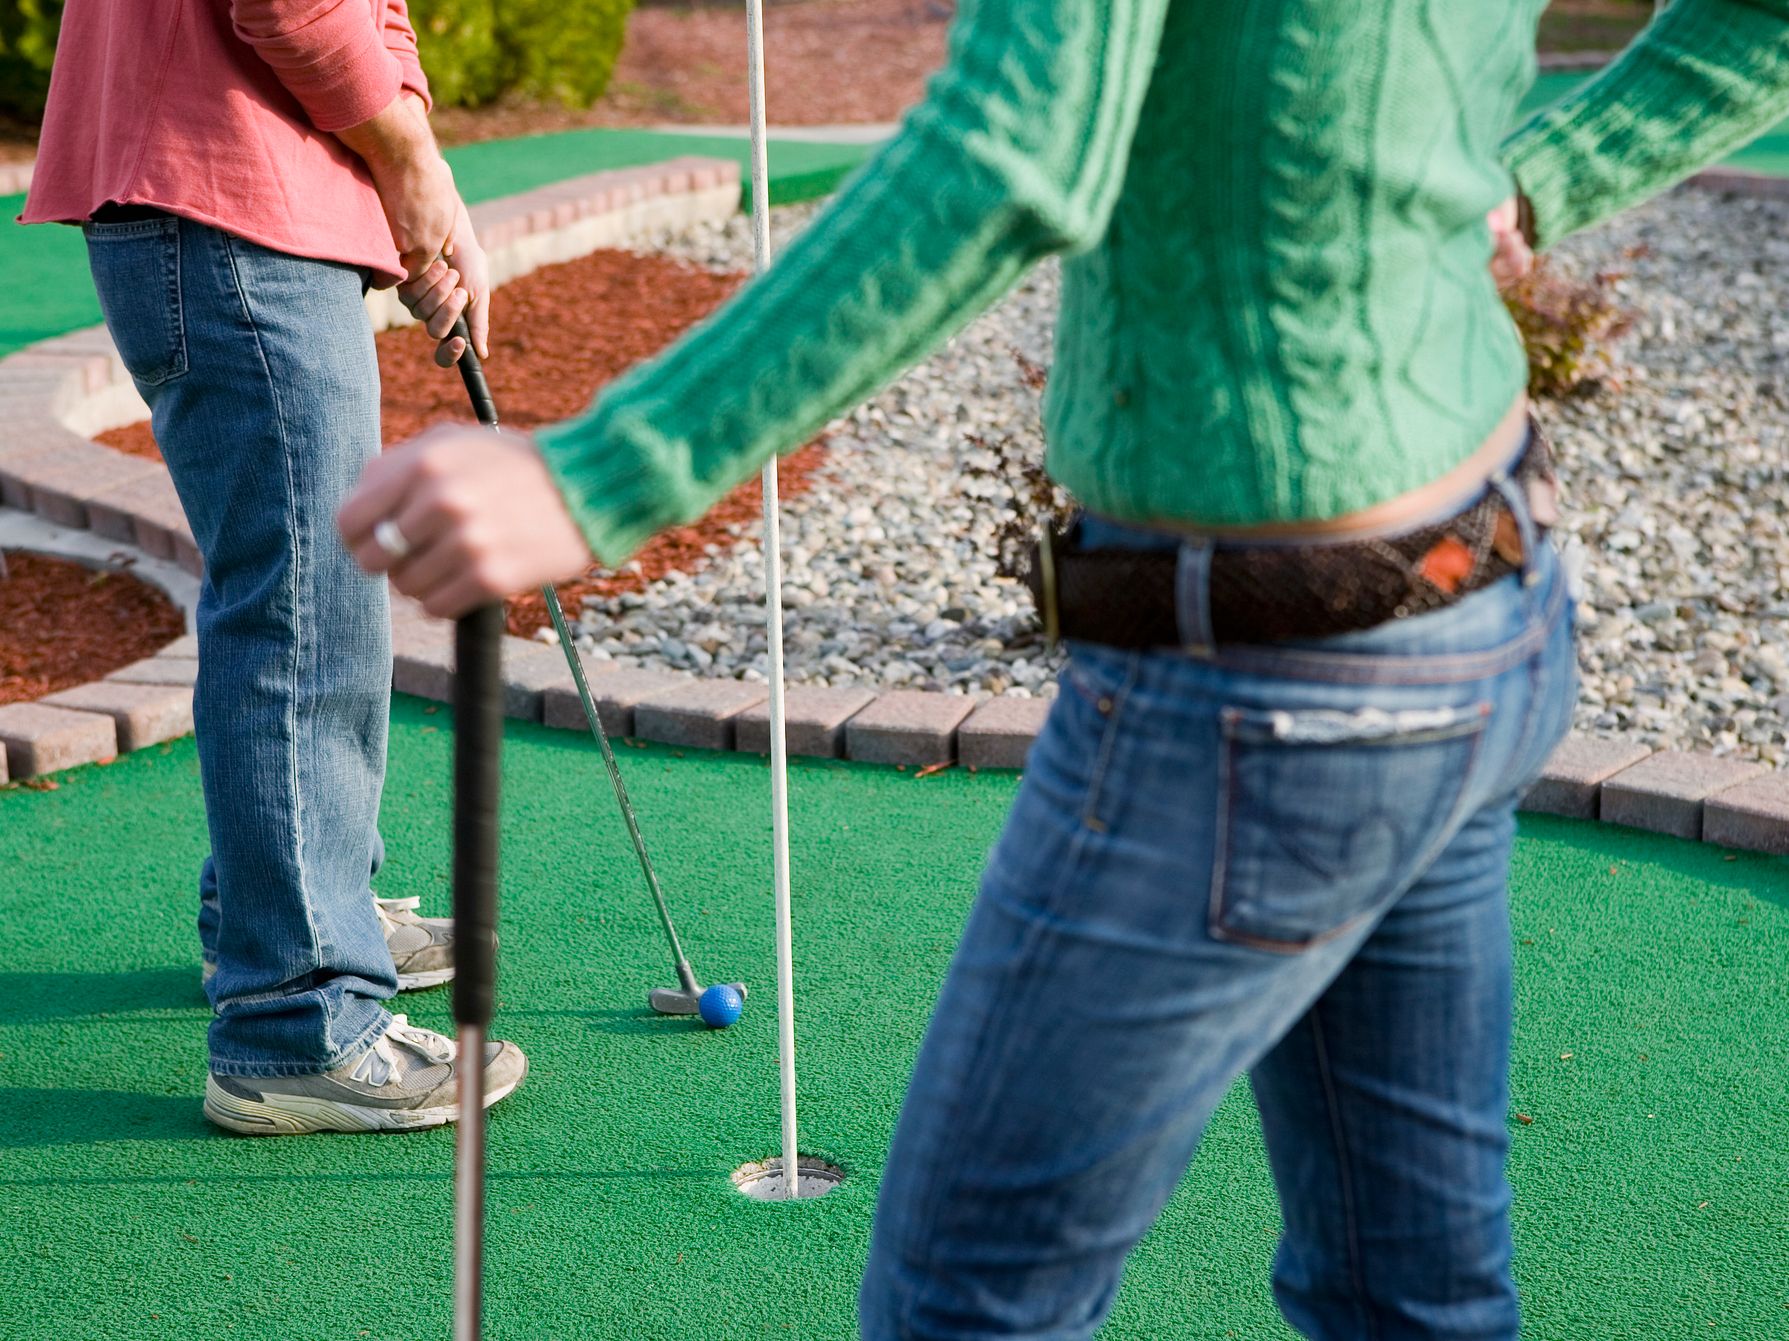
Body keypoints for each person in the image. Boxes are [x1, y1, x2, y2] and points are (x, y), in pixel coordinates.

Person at [343, 0, 1789, 1333]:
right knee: (1408, 1291)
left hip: (1267, 687)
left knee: (966, 1303)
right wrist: (1541, 174)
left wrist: (600, 475)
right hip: (1482, 596)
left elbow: (1012, 151)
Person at [21, 0, 527, 1136]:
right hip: (227, 205)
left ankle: (294, 908)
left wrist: (411, 170)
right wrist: (404, 161)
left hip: (227, 195)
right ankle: (298, 1018)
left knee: (300, 591)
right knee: (305, 610)